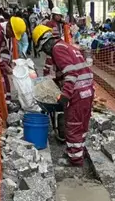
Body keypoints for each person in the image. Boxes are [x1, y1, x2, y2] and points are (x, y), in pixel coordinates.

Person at [33, 24, 94, 166]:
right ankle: (79, 150)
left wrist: (65, 95)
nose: (45, 52)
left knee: (72, 125)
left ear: (45, 42)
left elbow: (71, 74)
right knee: (81, 125)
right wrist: (56, 81)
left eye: (43, 49)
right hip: (87, 90)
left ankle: (75, 159)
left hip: (77, 93)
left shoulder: (57, 49)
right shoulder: (66, 46)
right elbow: (68, 70)